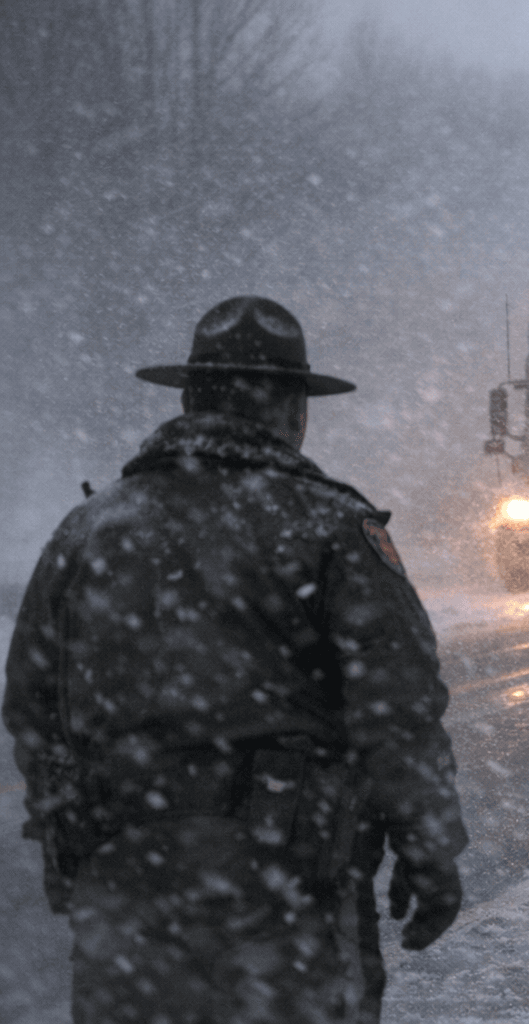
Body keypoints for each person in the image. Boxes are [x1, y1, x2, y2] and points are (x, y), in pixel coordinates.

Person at [3, 296, 468, 1024]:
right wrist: (428, 849)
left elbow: (33, 703)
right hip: (286, 885)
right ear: (291, 408)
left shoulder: (92, 528)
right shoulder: (331, 526)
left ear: (190, 397)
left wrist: (69, 834)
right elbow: (398, 709)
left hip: (127, 881)